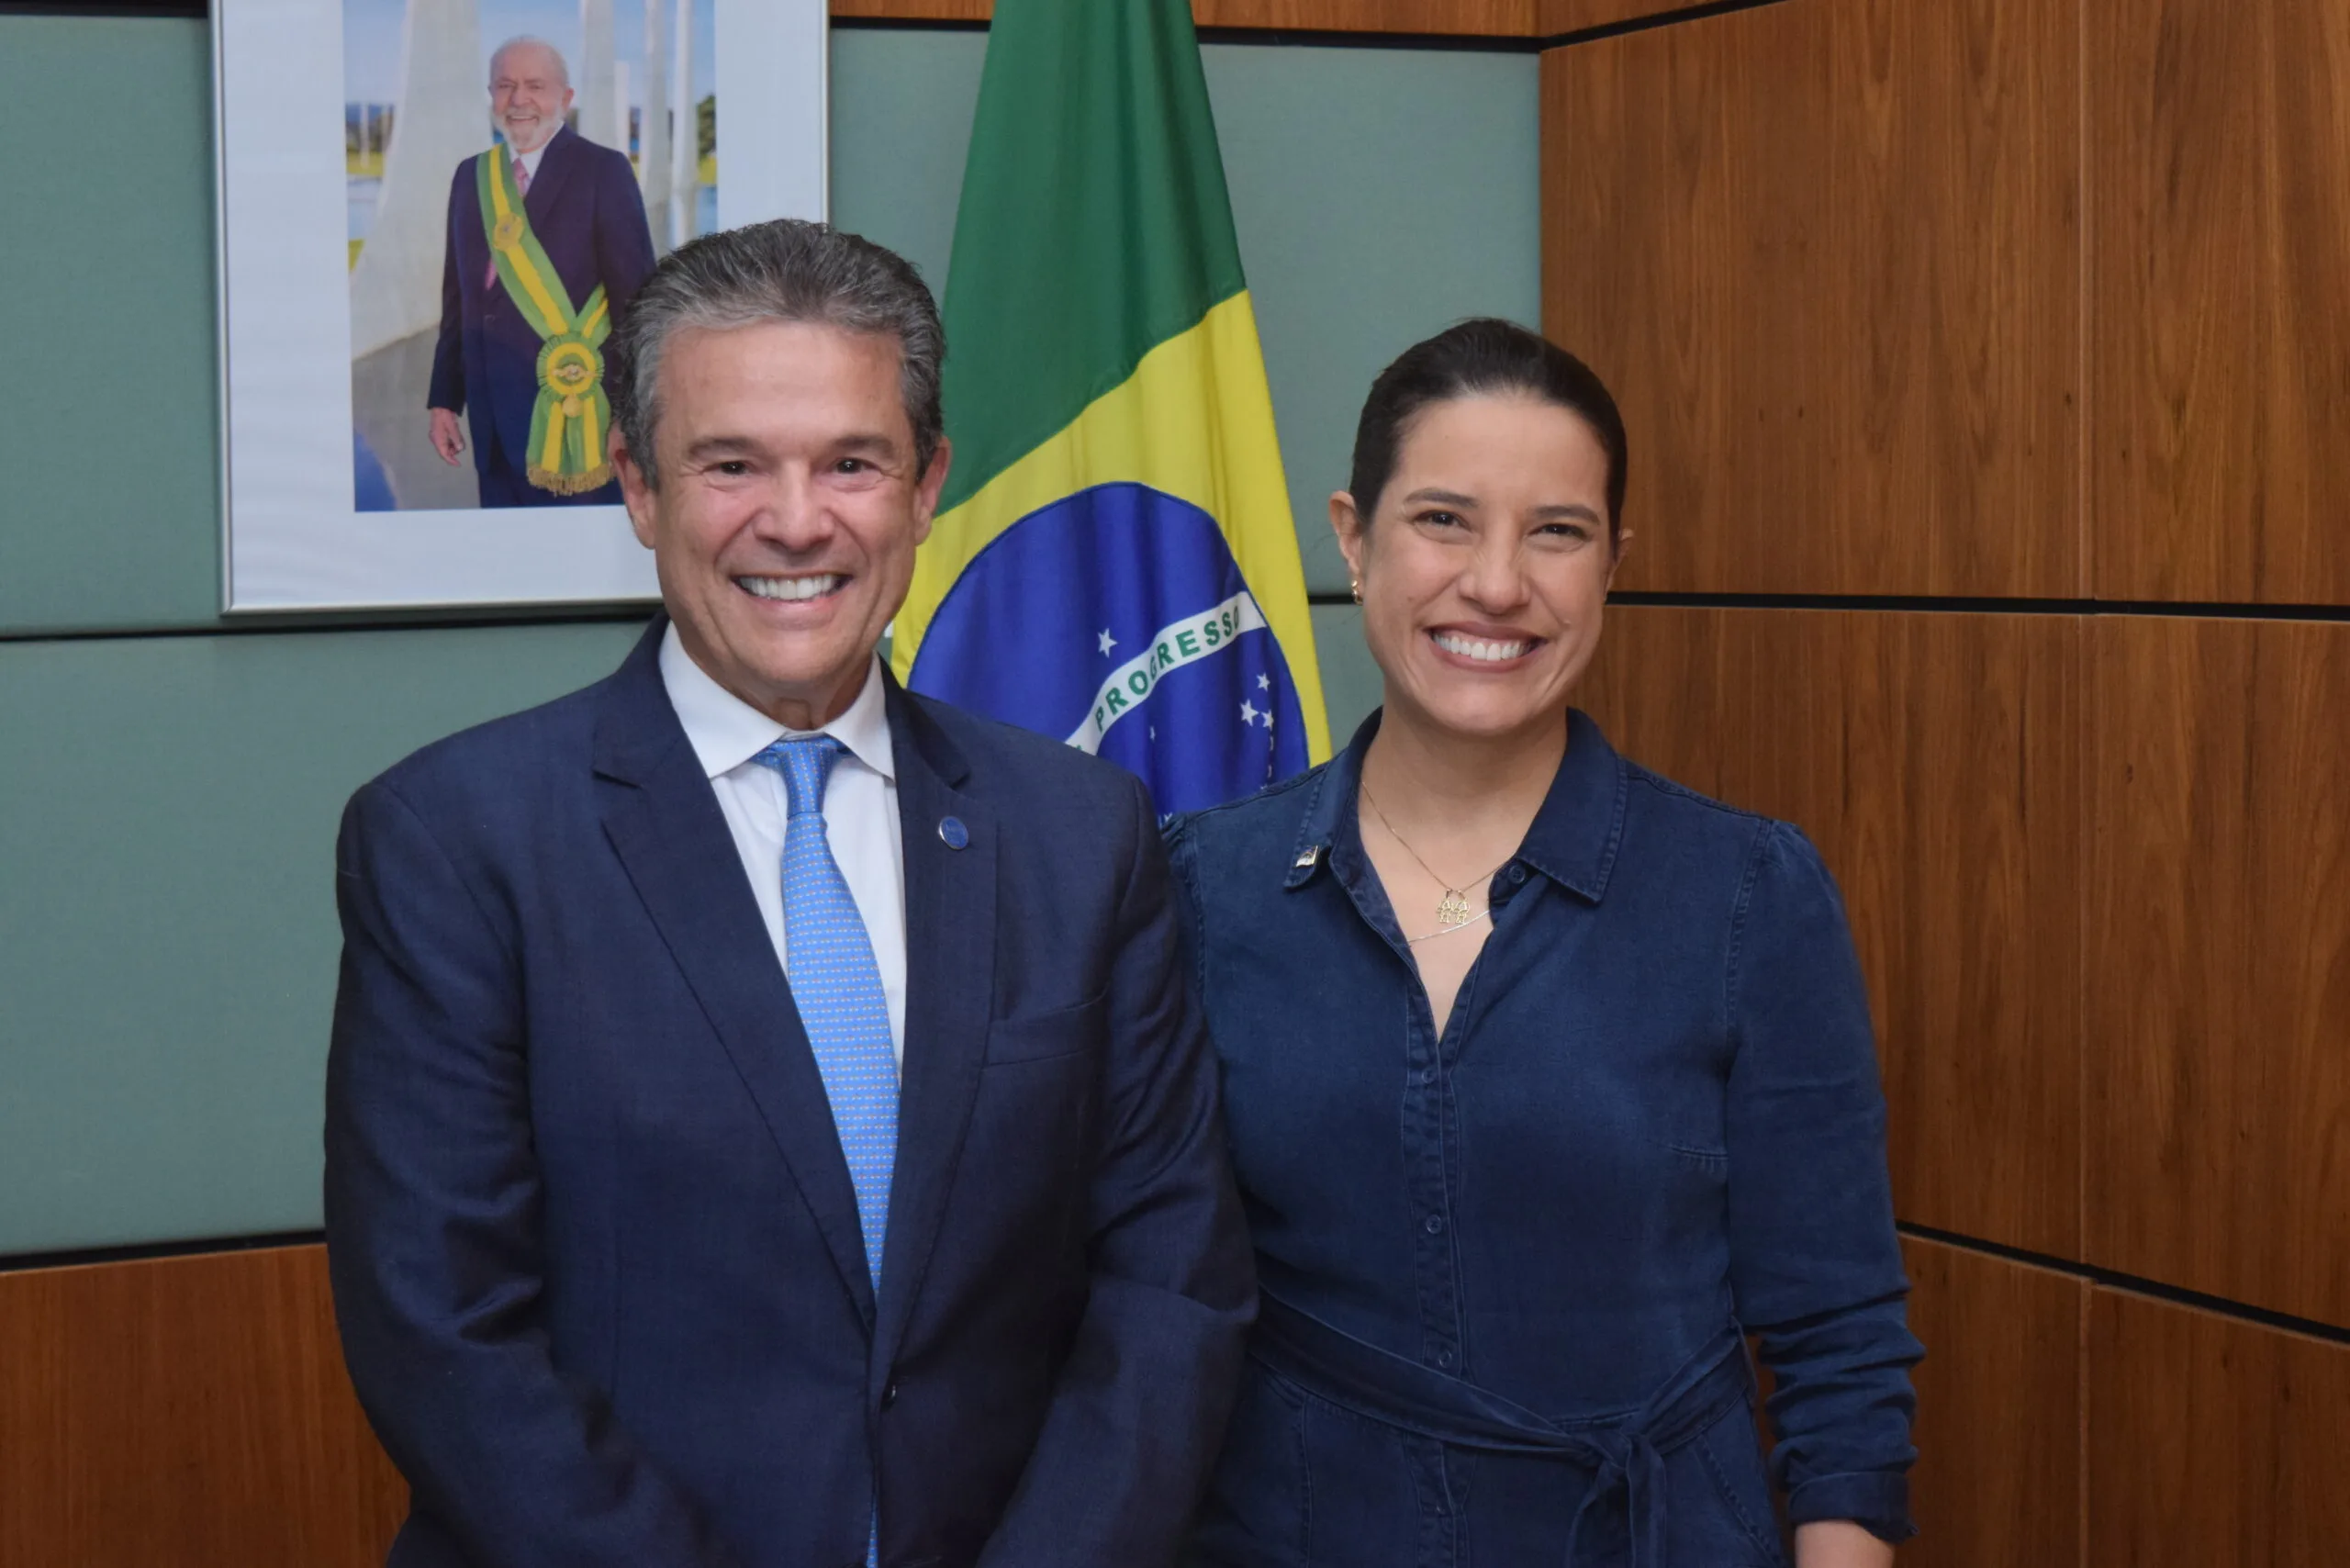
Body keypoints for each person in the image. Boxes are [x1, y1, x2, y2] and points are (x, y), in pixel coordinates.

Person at [328, 219, 1254, 1567]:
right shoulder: (455, 842)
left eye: (853, 462)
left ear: (928, 486)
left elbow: (1172, 1280)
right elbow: (445, 1333)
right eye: (731, 465)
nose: (798, 519)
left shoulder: (1081, 833)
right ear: (640, 490)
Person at [1172, 319, 1921, 1568]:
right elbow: (1141, 1303)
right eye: (1445, 521)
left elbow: (1840, 1342)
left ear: (1614, 563)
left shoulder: (1747, 894)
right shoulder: (1201, 885)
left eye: (1557, 532)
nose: (1499, 584)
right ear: (1352, 539)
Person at [425, 37, 656, 507]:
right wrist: (445, 400)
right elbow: (459, 300)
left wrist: (631, 417)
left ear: (565, 99)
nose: (519, 100)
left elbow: (638, 306)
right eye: (505, 86)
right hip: (491, 424)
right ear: (491, 97)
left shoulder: (603, 170)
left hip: (581, 419)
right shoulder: (471, 176)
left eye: (535, 85)